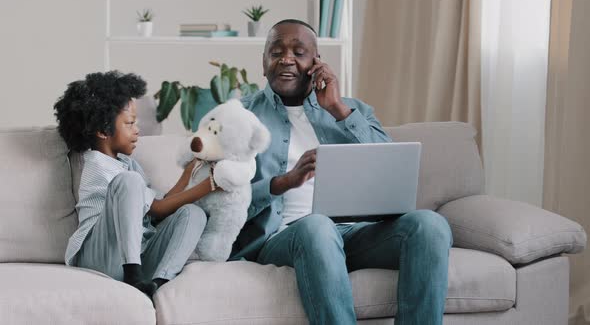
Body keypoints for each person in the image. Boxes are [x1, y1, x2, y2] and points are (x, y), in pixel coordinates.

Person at [231, 19, 453, 324]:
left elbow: (389, 164)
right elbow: (221, 196)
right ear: (264, 63)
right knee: (317, 226)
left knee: (430, 225)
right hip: (284, 236)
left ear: (316, 62)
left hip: (354, 232)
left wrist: (337, 109)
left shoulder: (350, 110)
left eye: (299, 52)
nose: (286, 59)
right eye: (276, 51)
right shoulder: (240, 117)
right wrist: (281, 183)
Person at [54, 71, 216, 298]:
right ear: (102, 130)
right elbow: (157, 208)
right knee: (129, 182)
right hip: (99, 257)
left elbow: (159, 207)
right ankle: (133, 275)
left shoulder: (128, 165)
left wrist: (188, 175)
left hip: (135, 255)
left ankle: (158, 283)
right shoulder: (97, 166)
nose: (137, 129)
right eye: (130, 123)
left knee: (193, 213)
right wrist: (210, 184)